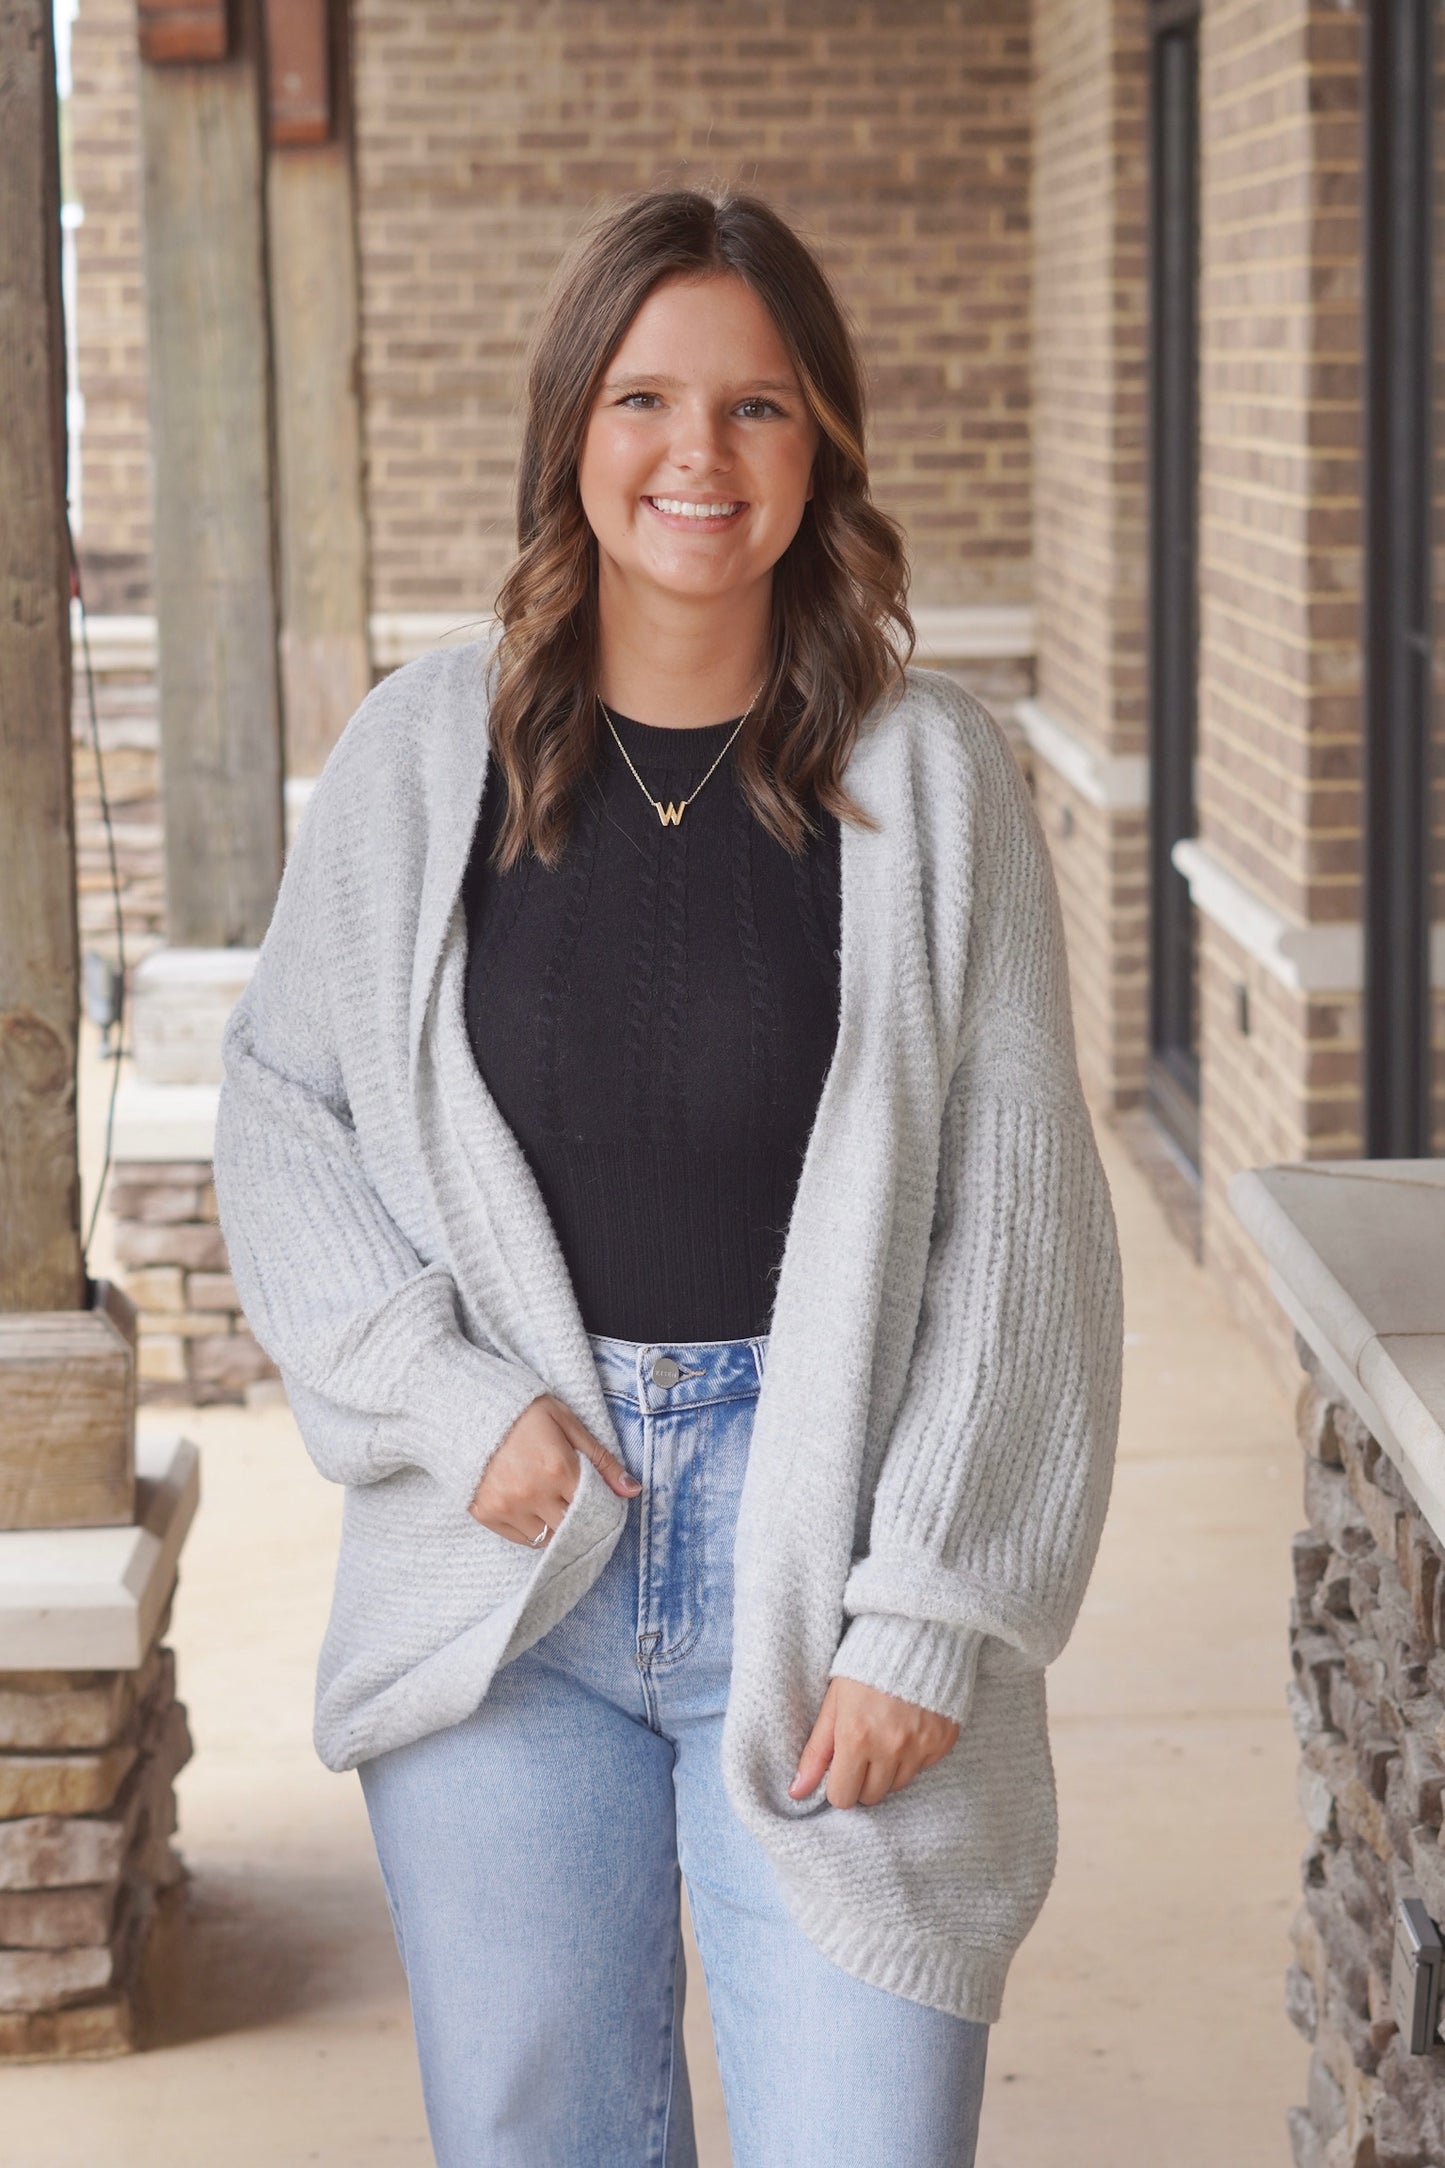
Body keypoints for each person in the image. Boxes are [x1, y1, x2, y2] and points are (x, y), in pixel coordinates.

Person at [213, 187, 1124, 2168]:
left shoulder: (931, 777)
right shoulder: (417, 757)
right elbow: (283, 1121)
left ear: (824, 449)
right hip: (508, 1585)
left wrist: (928, 1615)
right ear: (572, 432)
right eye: (643, 399)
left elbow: (1023, 1231)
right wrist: (458, 1406)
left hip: (832, 1549)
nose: (696, 459)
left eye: (758, 409)